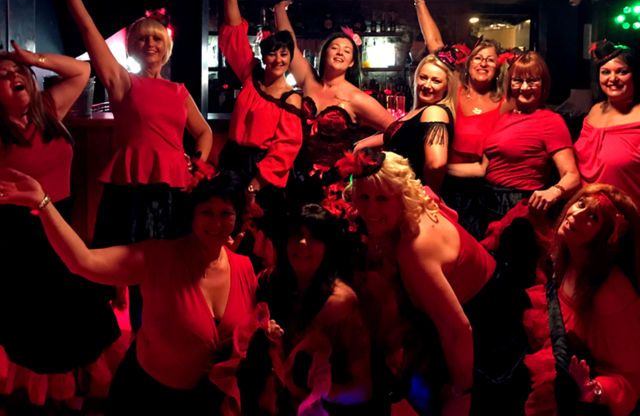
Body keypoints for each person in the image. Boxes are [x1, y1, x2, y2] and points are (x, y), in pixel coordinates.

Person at [41, 0, 213, 330]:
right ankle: (138, 335)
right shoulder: (122, 82)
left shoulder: (179, 90)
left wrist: (198, 163)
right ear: (132, 48)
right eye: (141, 39)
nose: (149, 43)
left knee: (172, 264)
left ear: (166, 48)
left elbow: (203, 132)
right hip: (132, 188)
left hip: (172, 188)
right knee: (133, 267)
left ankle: (169, 330)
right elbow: (87, 28)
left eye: (156, 39)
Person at [0, 169, 258, 415]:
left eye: (226, 213)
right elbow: (83, 262)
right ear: (193, 214)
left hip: (206, 405)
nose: (216, 223)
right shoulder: (158, 258)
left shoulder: (244, 269)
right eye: (207, 212)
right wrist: (43, 203)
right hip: (145, 399)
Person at [343, 151, 530, 416]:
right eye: (364, 197)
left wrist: (463, 391)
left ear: (401, 195)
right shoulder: (423, 199)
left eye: (382, 198)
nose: (370, 210)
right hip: (496, 298)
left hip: (489, 334)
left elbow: (458, 329)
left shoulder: (415, 249)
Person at [0, 44, 121, 409]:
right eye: (3, 76)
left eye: (18, 72)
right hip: (23, 238)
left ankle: (75, 398)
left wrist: (32, 59)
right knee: (41, 331)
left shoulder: (47, 109)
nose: (14, 76)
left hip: (63, 226)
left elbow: (82, 72)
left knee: (83, 322)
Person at [242, 204, 373, 415]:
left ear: (328, 247)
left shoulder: (340, 303)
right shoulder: (270, 279)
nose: (302, 243)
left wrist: (321, 392)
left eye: (314, 238)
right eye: (297, 235)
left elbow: (363, 388)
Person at [522, 184, 640, 416]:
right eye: (580, 204)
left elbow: (632, 378)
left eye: (593, 217)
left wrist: (594, 390)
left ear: (607, 237)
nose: (576, 214)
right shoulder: (568, 255)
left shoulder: (610, 296)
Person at [272, 0, 395, 205]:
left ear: (352, 62)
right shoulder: (309, 81)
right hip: (296, 176)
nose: (340, 52)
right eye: (334, 48)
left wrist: (363, 144)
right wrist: (279, 10)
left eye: (346, 51)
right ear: (324, 54)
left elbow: (396, 129)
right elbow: (290, 43)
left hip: (334, 184)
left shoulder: (357, 98)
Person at [412, 0, 509, 223]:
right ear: (467, 63)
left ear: (498, 67)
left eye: (490, 59)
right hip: (441, 185)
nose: (483, 63)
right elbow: (435, 45)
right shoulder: (454, 88)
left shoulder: (504, 103)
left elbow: (487, 167)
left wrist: (434, 167)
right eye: (478, 58)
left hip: (482, 193)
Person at [447, 51, 580, 237]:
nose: (524, 87)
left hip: (519, 206)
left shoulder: (551, 121)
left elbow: (572, 175)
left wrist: (554, 191)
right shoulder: (504, 117)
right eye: (518, 81)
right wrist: (437, 167)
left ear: (543, 84)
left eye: (532, 81)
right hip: (486, 203)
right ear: (509, 83)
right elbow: (483, 168)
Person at [217, 0, 302, 196]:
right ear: (264, 57)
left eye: (284, 54)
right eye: (272, 54)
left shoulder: (290, 99)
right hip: (232, 161)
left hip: (260, 172)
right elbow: (234, 33)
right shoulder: (251, 76)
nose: (278, 60)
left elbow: (286, 148)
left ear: (290, 58)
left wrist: (255, 183)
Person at [355, 51, 457, 192]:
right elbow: (405, 136)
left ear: (447, 87)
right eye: (423, 77)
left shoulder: (434, 111)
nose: (427, 85)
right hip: (399, 192)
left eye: (436, 81)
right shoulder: (420, 111)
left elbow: (436, 164)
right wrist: (361, 145)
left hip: (413, 195)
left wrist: (427, 196)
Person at [574, 40, 640, 206]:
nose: (613, 78)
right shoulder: (594, 110)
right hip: (587, 212)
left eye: (622, 72)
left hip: (627, 214)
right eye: (605, 72)